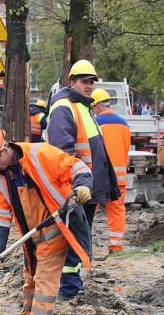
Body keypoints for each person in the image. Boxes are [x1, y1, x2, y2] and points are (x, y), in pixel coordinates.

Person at [0, 126, 93, 315]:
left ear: (3, 152)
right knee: (30, 280)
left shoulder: (40, 154)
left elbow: (76, 167)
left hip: (57, 226)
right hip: (32, 237)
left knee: (44, 282)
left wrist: (82, 187)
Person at [46, 59, 121, 300]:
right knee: (73, 238)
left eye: (91, 82)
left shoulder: (83, 108)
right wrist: (80, 182)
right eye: (84, 81)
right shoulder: (64, 107)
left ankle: (73, 285)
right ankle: (69, 288)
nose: (89, 86)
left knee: (80, 237)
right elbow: (63, 152)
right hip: (75, 187)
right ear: (72, 82)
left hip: (86, 188)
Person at [91, 89, 131, 255]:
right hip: (119, 178)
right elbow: (126, 149)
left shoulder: (94, 123)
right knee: (117, 210)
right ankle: (116, 246)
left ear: (97, 106)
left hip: (99, 176)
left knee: (88, 210)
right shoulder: (124, 124)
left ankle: (84, 245)